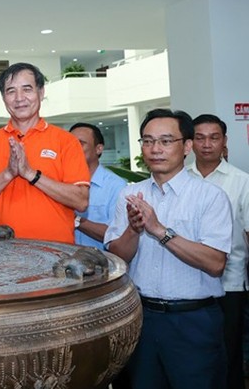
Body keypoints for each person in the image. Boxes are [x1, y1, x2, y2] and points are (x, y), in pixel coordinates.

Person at [105, 108, 231, 389]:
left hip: (193, 321)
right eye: (147, 141)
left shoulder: (210, 197)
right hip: (141, 318)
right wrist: (134, 230)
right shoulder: (129, 194)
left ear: (186, 146)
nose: (155, 149)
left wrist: (159, 230)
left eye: (165, 141)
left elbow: (215, 263)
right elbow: (117, 259)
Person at [0, 62, 90, 243]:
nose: (19, 98)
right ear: (3, 98)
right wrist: (8, 173)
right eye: (11, 91)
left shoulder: (66, 141)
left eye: (27, 89)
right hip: (5, 256)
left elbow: (81, 201)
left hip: (56, 254)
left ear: (41, 93)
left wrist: (31, 174)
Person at [188, 114, 249, 389]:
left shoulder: (242, 182)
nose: (207, 144)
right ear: (190, 143)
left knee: (229, 353)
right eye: (199, 138)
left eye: (214, 138)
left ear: (224, 141)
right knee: (194, 355)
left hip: (230, 284)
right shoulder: (180, 179)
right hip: (188, 285)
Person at [69, 123, 126, 250]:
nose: (73, 148)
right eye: (70, 143)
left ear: (98, 149)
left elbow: (118, 236)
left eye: (80, 143)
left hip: (100, 266)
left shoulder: (116, 186)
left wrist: (76, 220)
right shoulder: (59, 184)